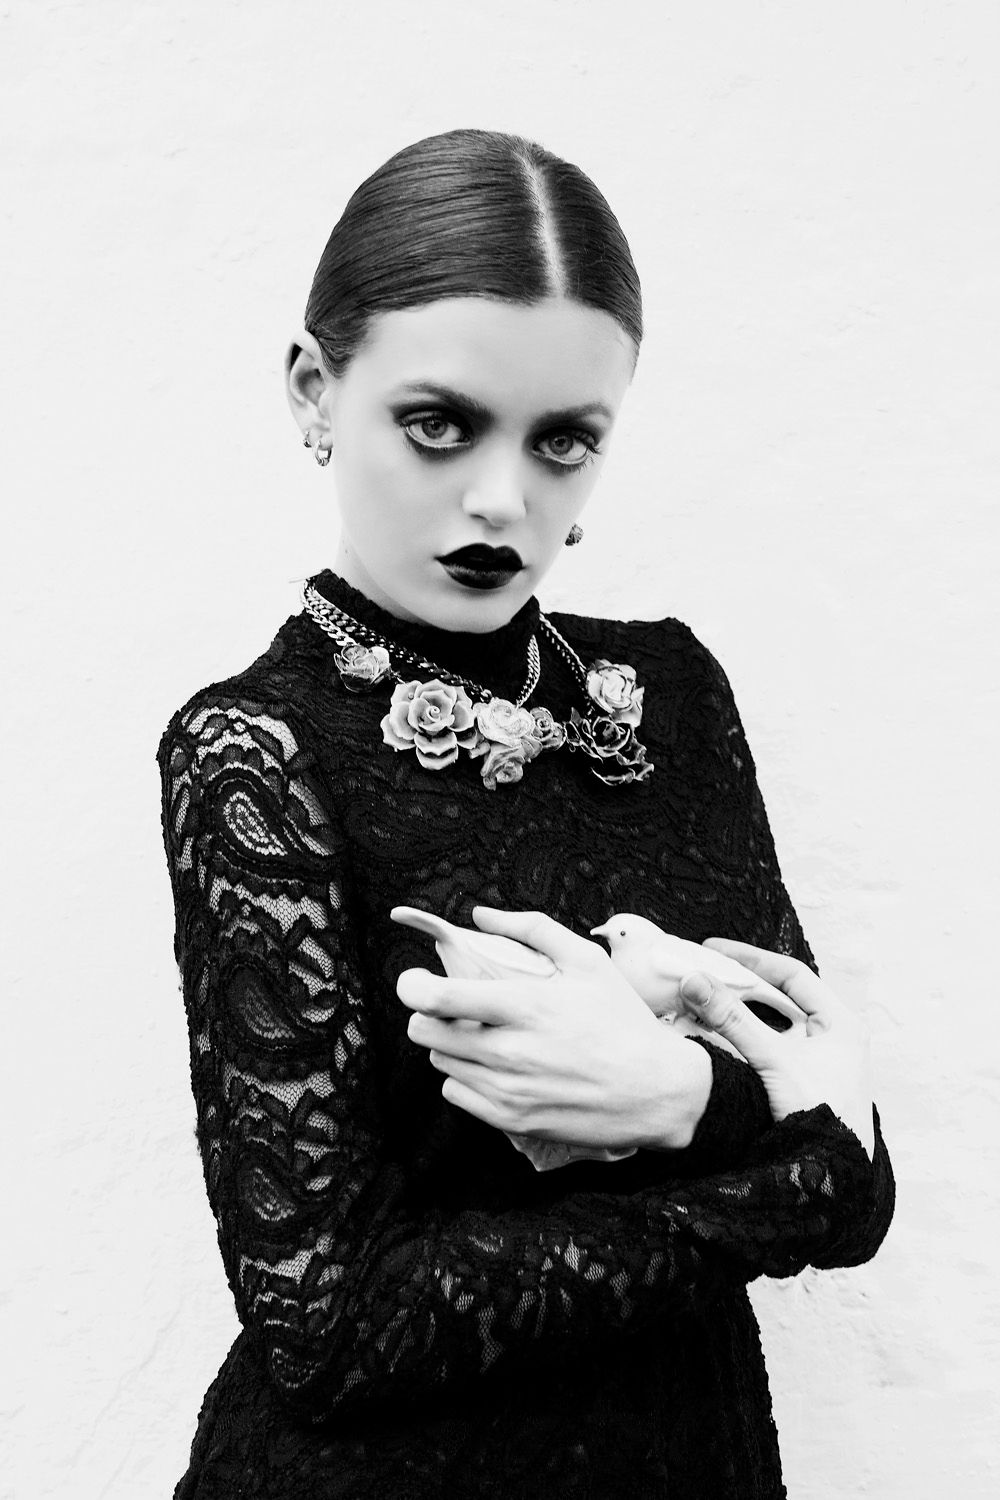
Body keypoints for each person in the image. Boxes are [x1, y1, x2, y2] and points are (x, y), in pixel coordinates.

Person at [156, 128, 894, 1500]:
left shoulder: (668, 699)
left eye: (564, 441)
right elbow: (327, 1329)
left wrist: (675, 1100)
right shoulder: (254, 752)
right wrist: (764, 1156)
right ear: (316, 391)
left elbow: (859, 1182)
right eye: (440, 424)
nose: (503, 499)